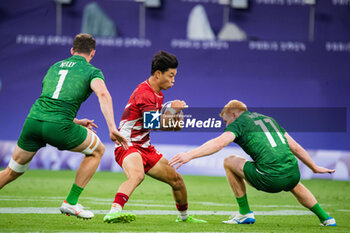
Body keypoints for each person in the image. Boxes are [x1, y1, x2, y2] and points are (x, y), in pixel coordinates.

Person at [0, 33, 128, 219]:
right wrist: (112, 128)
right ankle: (71, 202)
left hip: (33, 122)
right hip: (58, 126)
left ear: (71, 50)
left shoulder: (54, 67)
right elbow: (103, 94)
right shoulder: (92, 71)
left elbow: (51, 101)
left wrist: (75, 121)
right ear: (92, 53)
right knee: (97, 150)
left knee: (12, 171)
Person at [169, 100, 337, 226]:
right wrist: (314, 167)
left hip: (270, 179)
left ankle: (244, 213)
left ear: (234, 114)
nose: (226, 126)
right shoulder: (268, 120)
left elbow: (219, 143)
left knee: (229, 162)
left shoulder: (239, 123)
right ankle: (326, 218)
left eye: (226, 121)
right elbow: (296, 148)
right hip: (293, 172)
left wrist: (190, 155)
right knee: (291, 180)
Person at [103, 51, 206, 224]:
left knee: (177, 181)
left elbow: (162, 125)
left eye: (175, 76)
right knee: (137, 175)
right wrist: (173, 110)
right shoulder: (144, 93)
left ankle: (184, 218)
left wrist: (176, 122)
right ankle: (114, 211)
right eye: (171, 75)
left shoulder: (158, 93)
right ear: (158, 74)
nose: (173, 80)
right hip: (127, 145)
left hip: (145, 147)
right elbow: (152, 123)